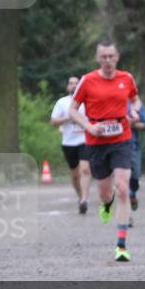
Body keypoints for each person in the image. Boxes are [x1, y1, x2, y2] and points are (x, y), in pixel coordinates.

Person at [68, 42, 143, 262]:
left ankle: (121, 246)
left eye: (111, 56)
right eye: (104, 57)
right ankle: (106, 204)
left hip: (122, 137)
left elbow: (135, 99)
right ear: (98, 59)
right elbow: (73, 109)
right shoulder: (88, 81)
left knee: (122, 188)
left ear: (117, 57)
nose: (108, 61)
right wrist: (89, 127)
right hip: (96, 140)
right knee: (106, 193)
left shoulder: (126, 78)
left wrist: (135, 112)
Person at [51, 75, 92, 214]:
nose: (74, 85)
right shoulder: (62, 102)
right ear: (67, 87)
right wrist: (70, 117)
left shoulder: (88, 101)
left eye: (77, 83)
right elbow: (54, 121)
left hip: (85, 140)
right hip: (69, 142)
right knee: (75, 175)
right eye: (71, 83)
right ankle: (80, 195)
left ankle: (84, 199)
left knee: (85, 169)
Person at [127, 102, 145, 227]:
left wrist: (132, 123)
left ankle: (133, 194)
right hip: (118, 149)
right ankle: (127, 217)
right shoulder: (112, 101)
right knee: (122, 185)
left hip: (133, 147)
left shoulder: (136, 105)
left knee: (135, 178)